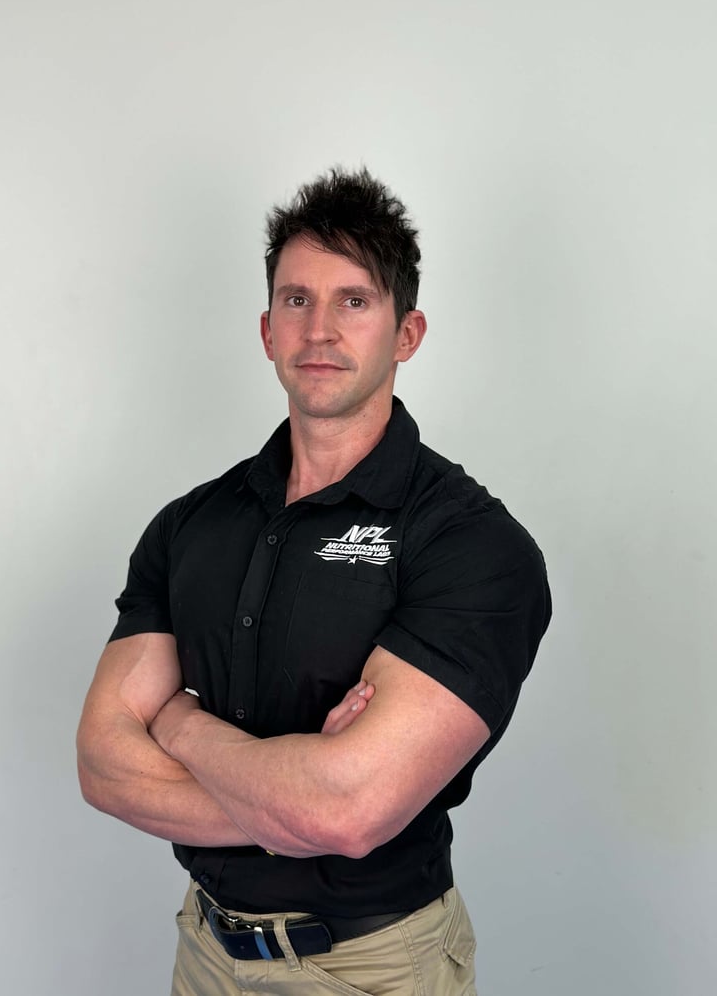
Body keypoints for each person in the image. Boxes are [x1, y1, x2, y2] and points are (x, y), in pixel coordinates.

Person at [77, 167, 551, 996]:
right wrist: (296, 800)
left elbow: (346, 812)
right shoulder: (190, 526)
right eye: (297, 300)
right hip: (204, 953)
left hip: (369, 968)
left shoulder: (471, 544)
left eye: (354, 301)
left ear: (407, 334)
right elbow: (103, 766)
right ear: (267, 331)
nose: (320, 329)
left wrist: (178, 723)